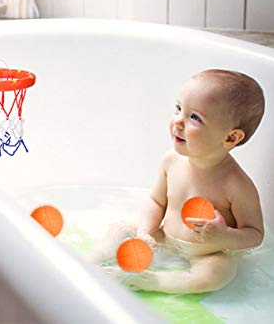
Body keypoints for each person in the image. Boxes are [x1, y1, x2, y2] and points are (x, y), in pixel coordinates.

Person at [88, 69, 265, 294]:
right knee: (120, 228)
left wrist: (224, 236)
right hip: (164, 233)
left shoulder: (237, 185)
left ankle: (148, 281)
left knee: (213, 276)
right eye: (179, 108)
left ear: (230, 137)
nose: (178, 122)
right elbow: (156, 201)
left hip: (208, 251)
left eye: (195, 118)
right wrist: (145, 230)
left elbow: (255, 235)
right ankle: (90, 259)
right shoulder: (172, 160)